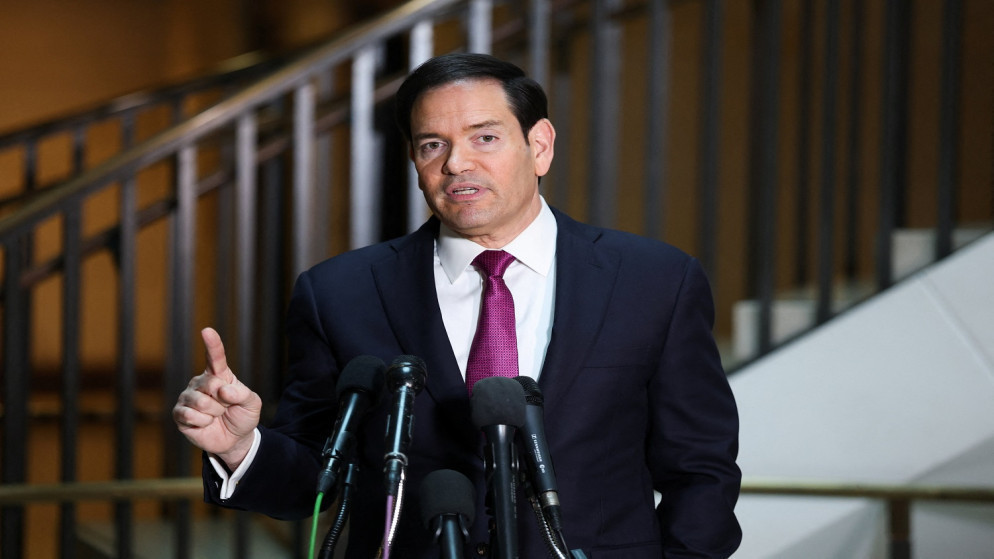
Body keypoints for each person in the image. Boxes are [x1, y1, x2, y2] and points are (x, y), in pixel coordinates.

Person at [173, 52, 741, 558]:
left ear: (540, 146)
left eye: (484, 137)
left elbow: (701, 469)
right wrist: (242, 447)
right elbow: (314, 483)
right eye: (432, 145)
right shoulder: (339, 293)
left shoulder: (654, 281)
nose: (456, 163)